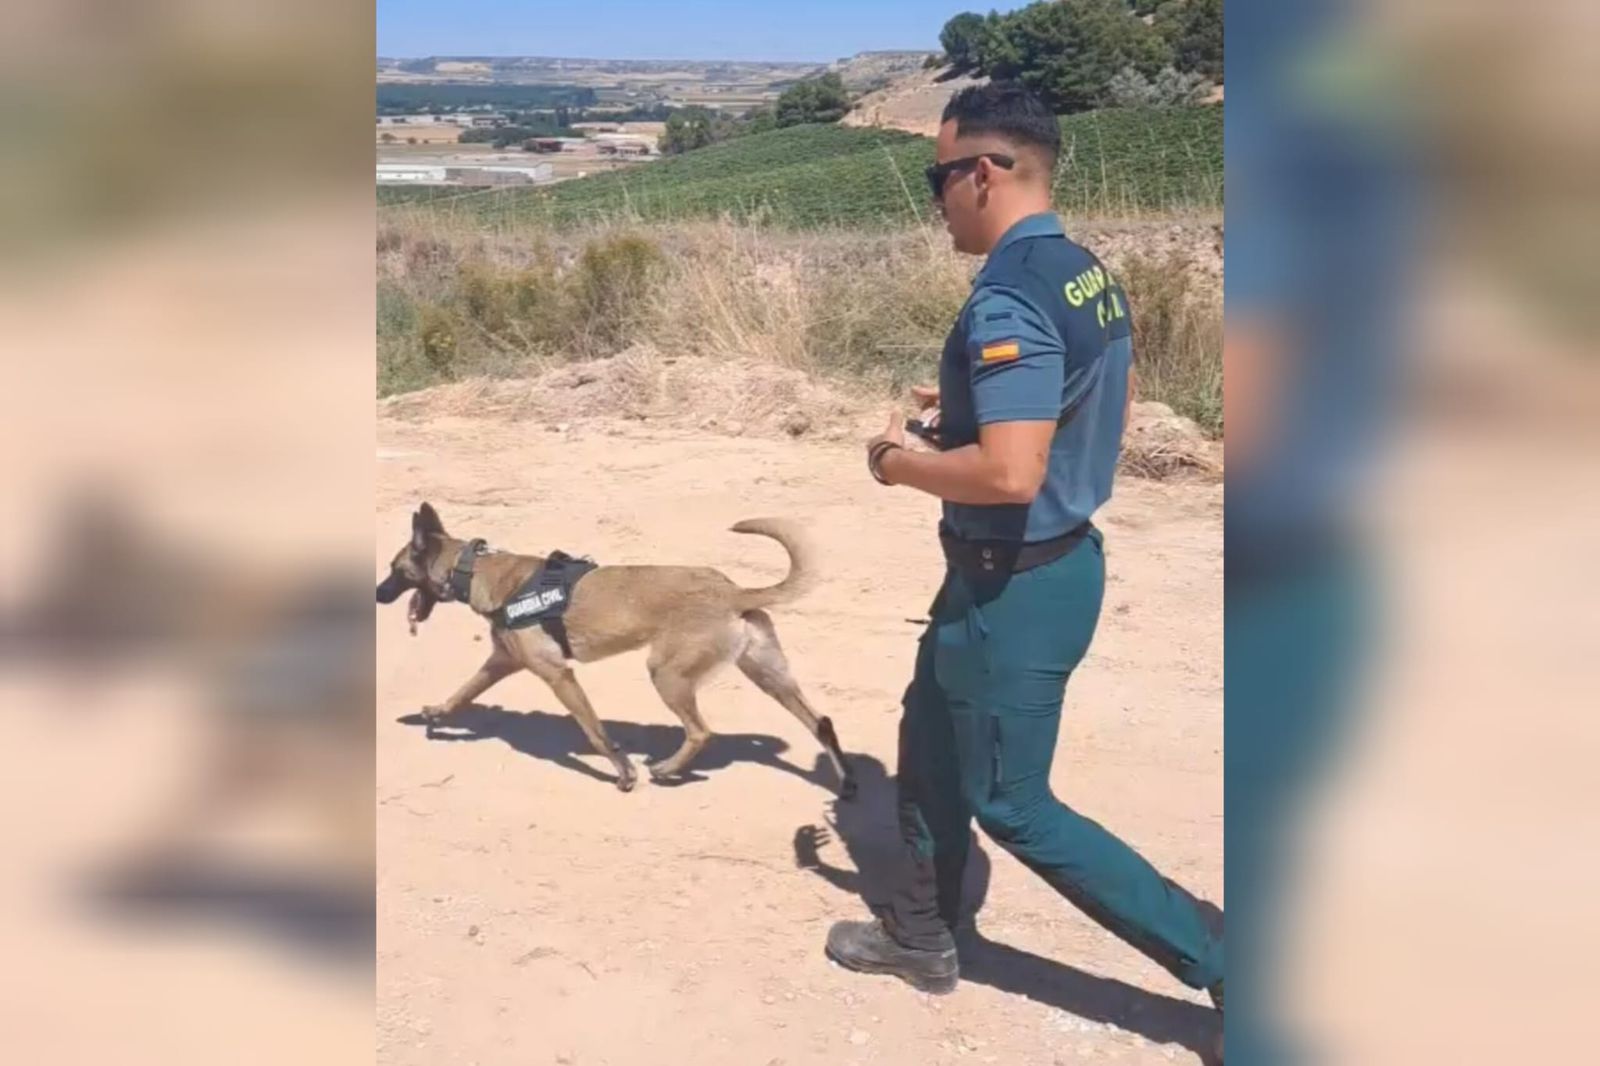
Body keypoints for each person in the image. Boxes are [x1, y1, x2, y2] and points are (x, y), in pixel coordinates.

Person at [824, 82, 1225, 1033]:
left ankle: (1223, 959)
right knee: (926, 745)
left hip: (1016, 583)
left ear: (984, 173)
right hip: (1027, 568)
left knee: (1013, 802)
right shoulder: (1082, 270)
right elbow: (1099, 400)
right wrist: (963, 404)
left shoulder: (1008, 294)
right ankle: (923, 935)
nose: (936, 203)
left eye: (937, 179)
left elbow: (1007, 474)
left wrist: (898, 463)